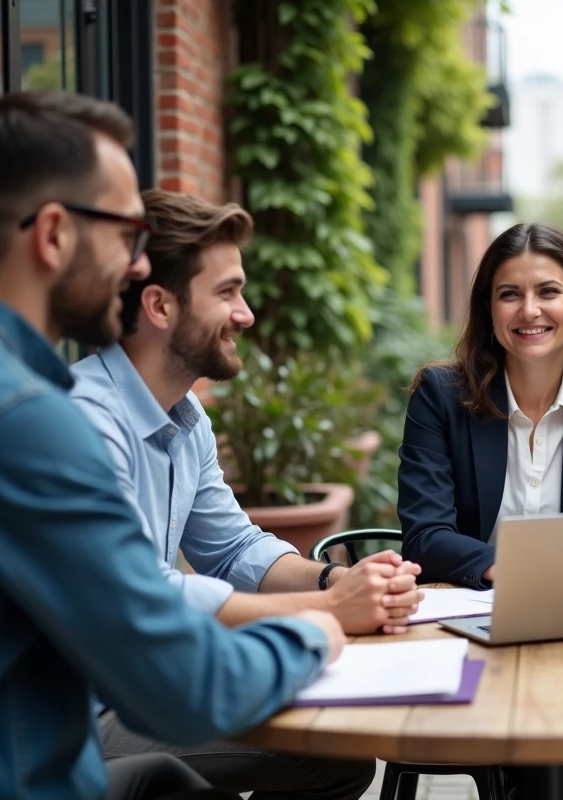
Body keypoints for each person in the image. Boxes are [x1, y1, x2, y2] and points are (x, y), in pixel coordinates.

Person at [0, 90, 346, 800]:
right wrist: (317, 630)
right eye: (126, 235)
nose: (137, 267)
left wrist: (321, 587)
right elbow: (176, 682)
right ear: (53, 235)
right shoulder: (25, 422)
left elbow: (225, 552)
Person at [68, 189, 416, 799]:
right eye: (227, 292)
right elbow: (148, 597)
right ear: (160, 305)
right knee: (331, 750)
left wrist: (336, 581)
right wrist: (330, 614)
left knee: (339, 747)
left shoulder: (186, 417)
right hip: (77, 715)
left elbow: (234, 549)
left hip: (143, 682)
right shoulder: (88, 424)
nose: (246, 313)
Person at [397, 221, 563, 798]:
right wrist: (513, 569)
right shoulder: (441, 396)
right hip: (472, 629)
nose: (529, 310)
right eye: (509, 293)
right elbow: (425, 534)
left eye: (548, 291)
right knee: (551, 729)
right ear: (488, 309)